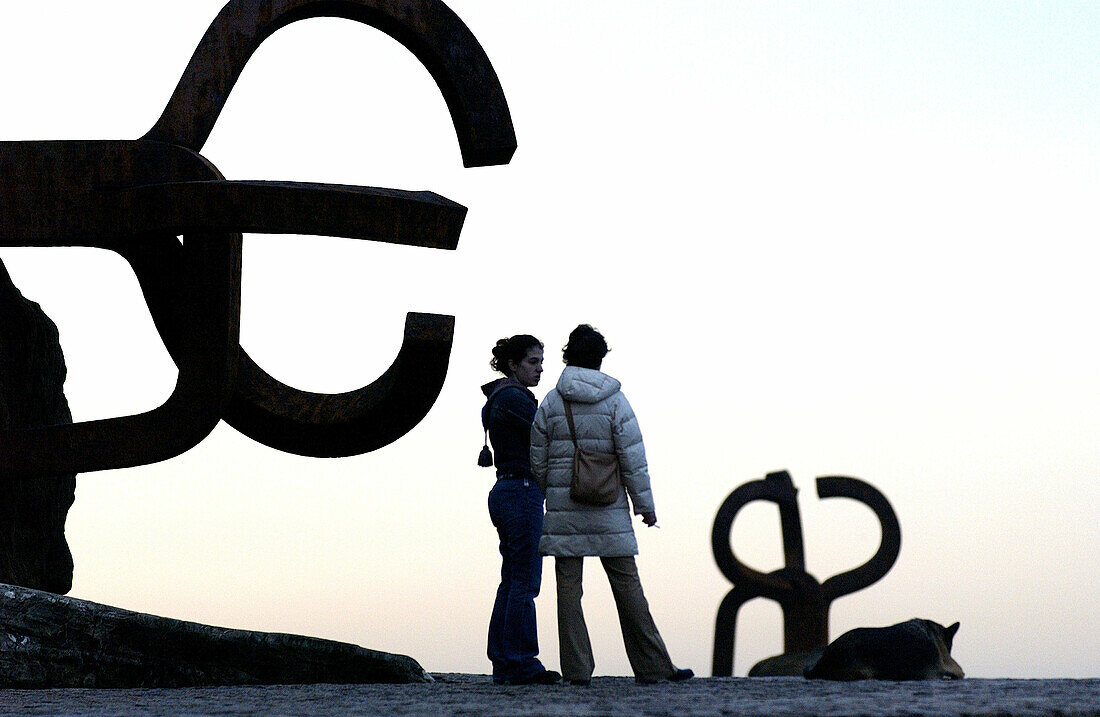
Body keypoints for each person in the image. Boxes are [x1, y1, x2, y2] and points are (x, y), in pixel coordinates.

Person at [531, 324, 693, 686]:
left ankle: (577, 671)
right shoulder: (616, 400)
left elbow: (537, 460)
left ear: (567, 357)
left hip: (564, 507)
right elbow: (633, 458)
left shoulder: (552, 402)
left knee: (569, 592)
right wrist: (645, 505)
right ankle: (652, 666)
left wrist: (555, 492)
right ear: (600, 359)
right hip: (609, 507)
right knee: (627, 586)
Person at [481, 334, 561, 685]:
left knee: (512, 581)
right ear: (513, 364)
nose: (540, 369)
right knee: (525, 582)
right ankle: (522, 662)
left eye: (542, 362)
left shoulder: (501, 397)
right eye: (532, 362)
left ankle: (504, 662)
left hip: (507, 491)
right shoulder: (515, 399)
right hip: (521, 492)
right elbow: (547, 438)